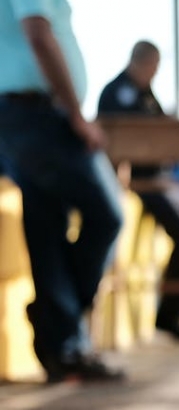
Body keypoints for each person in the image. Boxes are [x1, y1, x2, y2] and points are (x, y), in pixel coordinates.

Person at [0, 0, 124, 383]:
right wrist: (75, 113)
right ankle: (60, 324)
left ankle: (61, 345)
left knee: (46, 227)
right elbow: (39, 35)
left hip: (24, 115)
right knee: (107, 214)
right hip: (39, 115)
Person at [97, 40, 179, 340]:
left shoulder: (145, 93)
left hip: (157, 181)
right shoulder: (116, 92)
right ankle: (168, 315)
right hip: (132, 183)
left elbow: (161, 129)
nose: (153, 74)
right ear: (143, 63)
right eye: (153, 68)